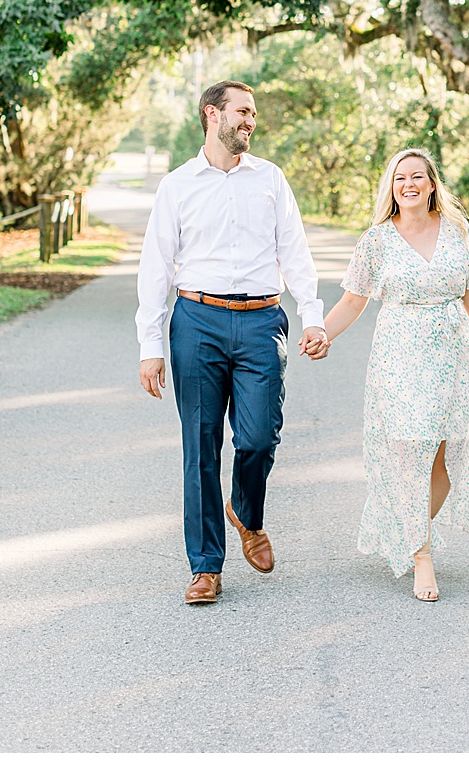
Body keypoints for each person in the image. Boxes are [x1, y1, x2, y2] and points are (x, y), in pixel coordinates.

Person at [137, 80, 325, 605]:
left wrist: (313, 318)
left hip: (263, 321)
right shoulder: (176, 186)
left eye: (253, 113)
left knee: (260, 437)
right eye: (242, 111)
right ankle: (205, 566)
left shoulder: (270, 179)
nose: (251, 121)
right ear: (211, 115)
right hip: (197, 320)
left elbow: (297, 252)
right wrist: (150, 344)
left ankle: (246, 510)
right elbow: (155, 268)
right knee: (199, 447)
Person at [302, 148, 469, 601]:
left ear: (432, 184)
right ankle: (421, 557)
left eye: (417, 176)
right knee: (410, 452)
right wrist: (323, 334)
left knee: (447, 460)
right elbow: (354, 300)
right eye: (400, 178)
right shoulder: (376, 240)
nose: (408, 184)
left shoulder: (458, 232)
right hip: (400, 355)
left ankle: (399, 521)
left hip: (454, 353)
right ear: (391, 189)